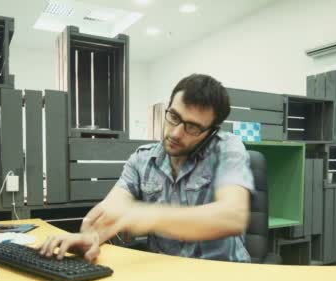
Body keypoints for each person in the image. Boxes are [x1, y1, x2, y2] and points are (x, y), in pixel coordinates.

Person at [38, 74, 254, 262]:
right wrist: (90, 236)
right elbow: (113, 208)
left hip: (222, 275)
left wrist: (148, 216)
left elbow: (232, 216)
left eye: (193, 127)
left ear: (211, 132)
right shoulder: (142, 159)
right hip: (162, 275)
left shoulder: (227, 148)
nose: (176, 133)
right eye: (174, 117)